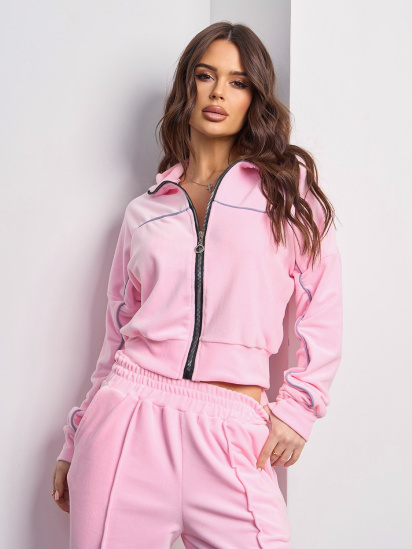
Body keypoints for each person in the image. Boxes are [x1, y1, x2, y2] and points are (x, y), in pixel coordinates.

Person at [52, 21, 343, 549]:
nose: (218, 92)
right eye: (206, 76)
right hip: (128, 421)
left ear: (254, 97)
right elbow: (115, 338)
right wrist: (75, 438)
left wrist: (299, 408)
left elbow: (321, 303)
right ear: (187, 87)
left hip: (234, 428)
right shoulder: (144, 212)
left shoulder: (285, 193)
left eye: (237, 82)